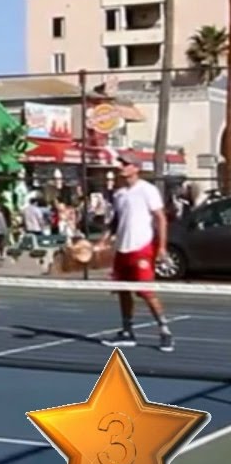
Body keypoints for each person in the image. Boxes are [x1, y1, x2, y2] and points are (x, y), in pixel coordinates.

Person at [95, 151, 174, 352]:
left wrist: (162, 247)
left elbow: (161, 219)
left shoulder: (147, 190)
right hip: (122, 250)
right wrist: (103, 242)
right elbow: (115, 222)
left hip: (142, 248)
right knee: (123, 291)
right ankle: (127, 331)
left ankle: (165, 331)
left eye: (125, 163)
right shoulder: (119, 194)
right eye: (120, 162)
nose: (121, 166)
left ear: (136, 168)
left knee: (146, 292)